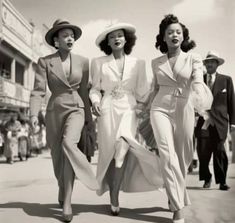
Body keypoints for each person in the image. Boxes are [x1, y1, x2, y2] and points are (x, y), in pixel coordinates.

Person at [90, 22, 163, 216]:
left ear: (126, 39)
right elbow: (95, 88)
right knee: (110, 154)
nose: (116, 39)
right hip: (107, 110)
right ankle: (112, 191)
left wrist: (143, 105)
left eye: (120, 35)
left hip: (129, 110)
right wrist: (95, 101)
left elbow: (142, 91)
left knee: (122, 148)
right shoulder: (98, 62)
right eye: (112, 36)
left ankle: (114, 193)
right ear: (108, 41)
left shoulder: (139, 63)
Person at [30, 19, 98, 222]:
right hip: (54, 111)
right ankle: (63, 187)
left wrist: (89, 118)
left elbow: (85, 93)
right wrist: (34, 114)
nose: (70, 38)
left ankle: (68, 200)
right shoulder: (45, 62)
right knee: (58, 156)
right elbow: (38, 91)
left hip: (76, 108)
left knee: (69, 145)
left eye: (72, 35)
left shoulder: (83, 62)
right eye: (65, 35)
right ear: (56, 40)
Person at [150, 14, 212, 223]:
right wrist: (141, 107)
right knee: (167, 155)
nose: (174, 35)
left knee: (183, 159)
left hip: (184, 108)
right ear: (163, 37)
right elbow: (155, 89)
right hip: (159, 109)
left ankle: (173, 192)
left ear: (183, 36)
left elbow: (197, 78)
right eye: (170, 32)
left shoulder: (193, 58)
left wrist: (198, 91)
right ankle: (178, 206)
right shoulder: (155, 62)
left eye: (178, 32)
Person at [195, 50, 235, 190]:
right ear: (205, 64)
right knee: (203, 153)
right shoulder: (199, 81)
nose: (210, 64)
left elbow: (231, 102)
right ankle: (207, 178)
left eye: (213, 62)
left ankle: (222, 181)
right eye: (208, 62)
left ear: (217, 64)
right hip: (203, 123)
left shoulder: (226, 80)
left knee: (220, 153)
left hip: (220, 124)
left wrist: (233, 123)